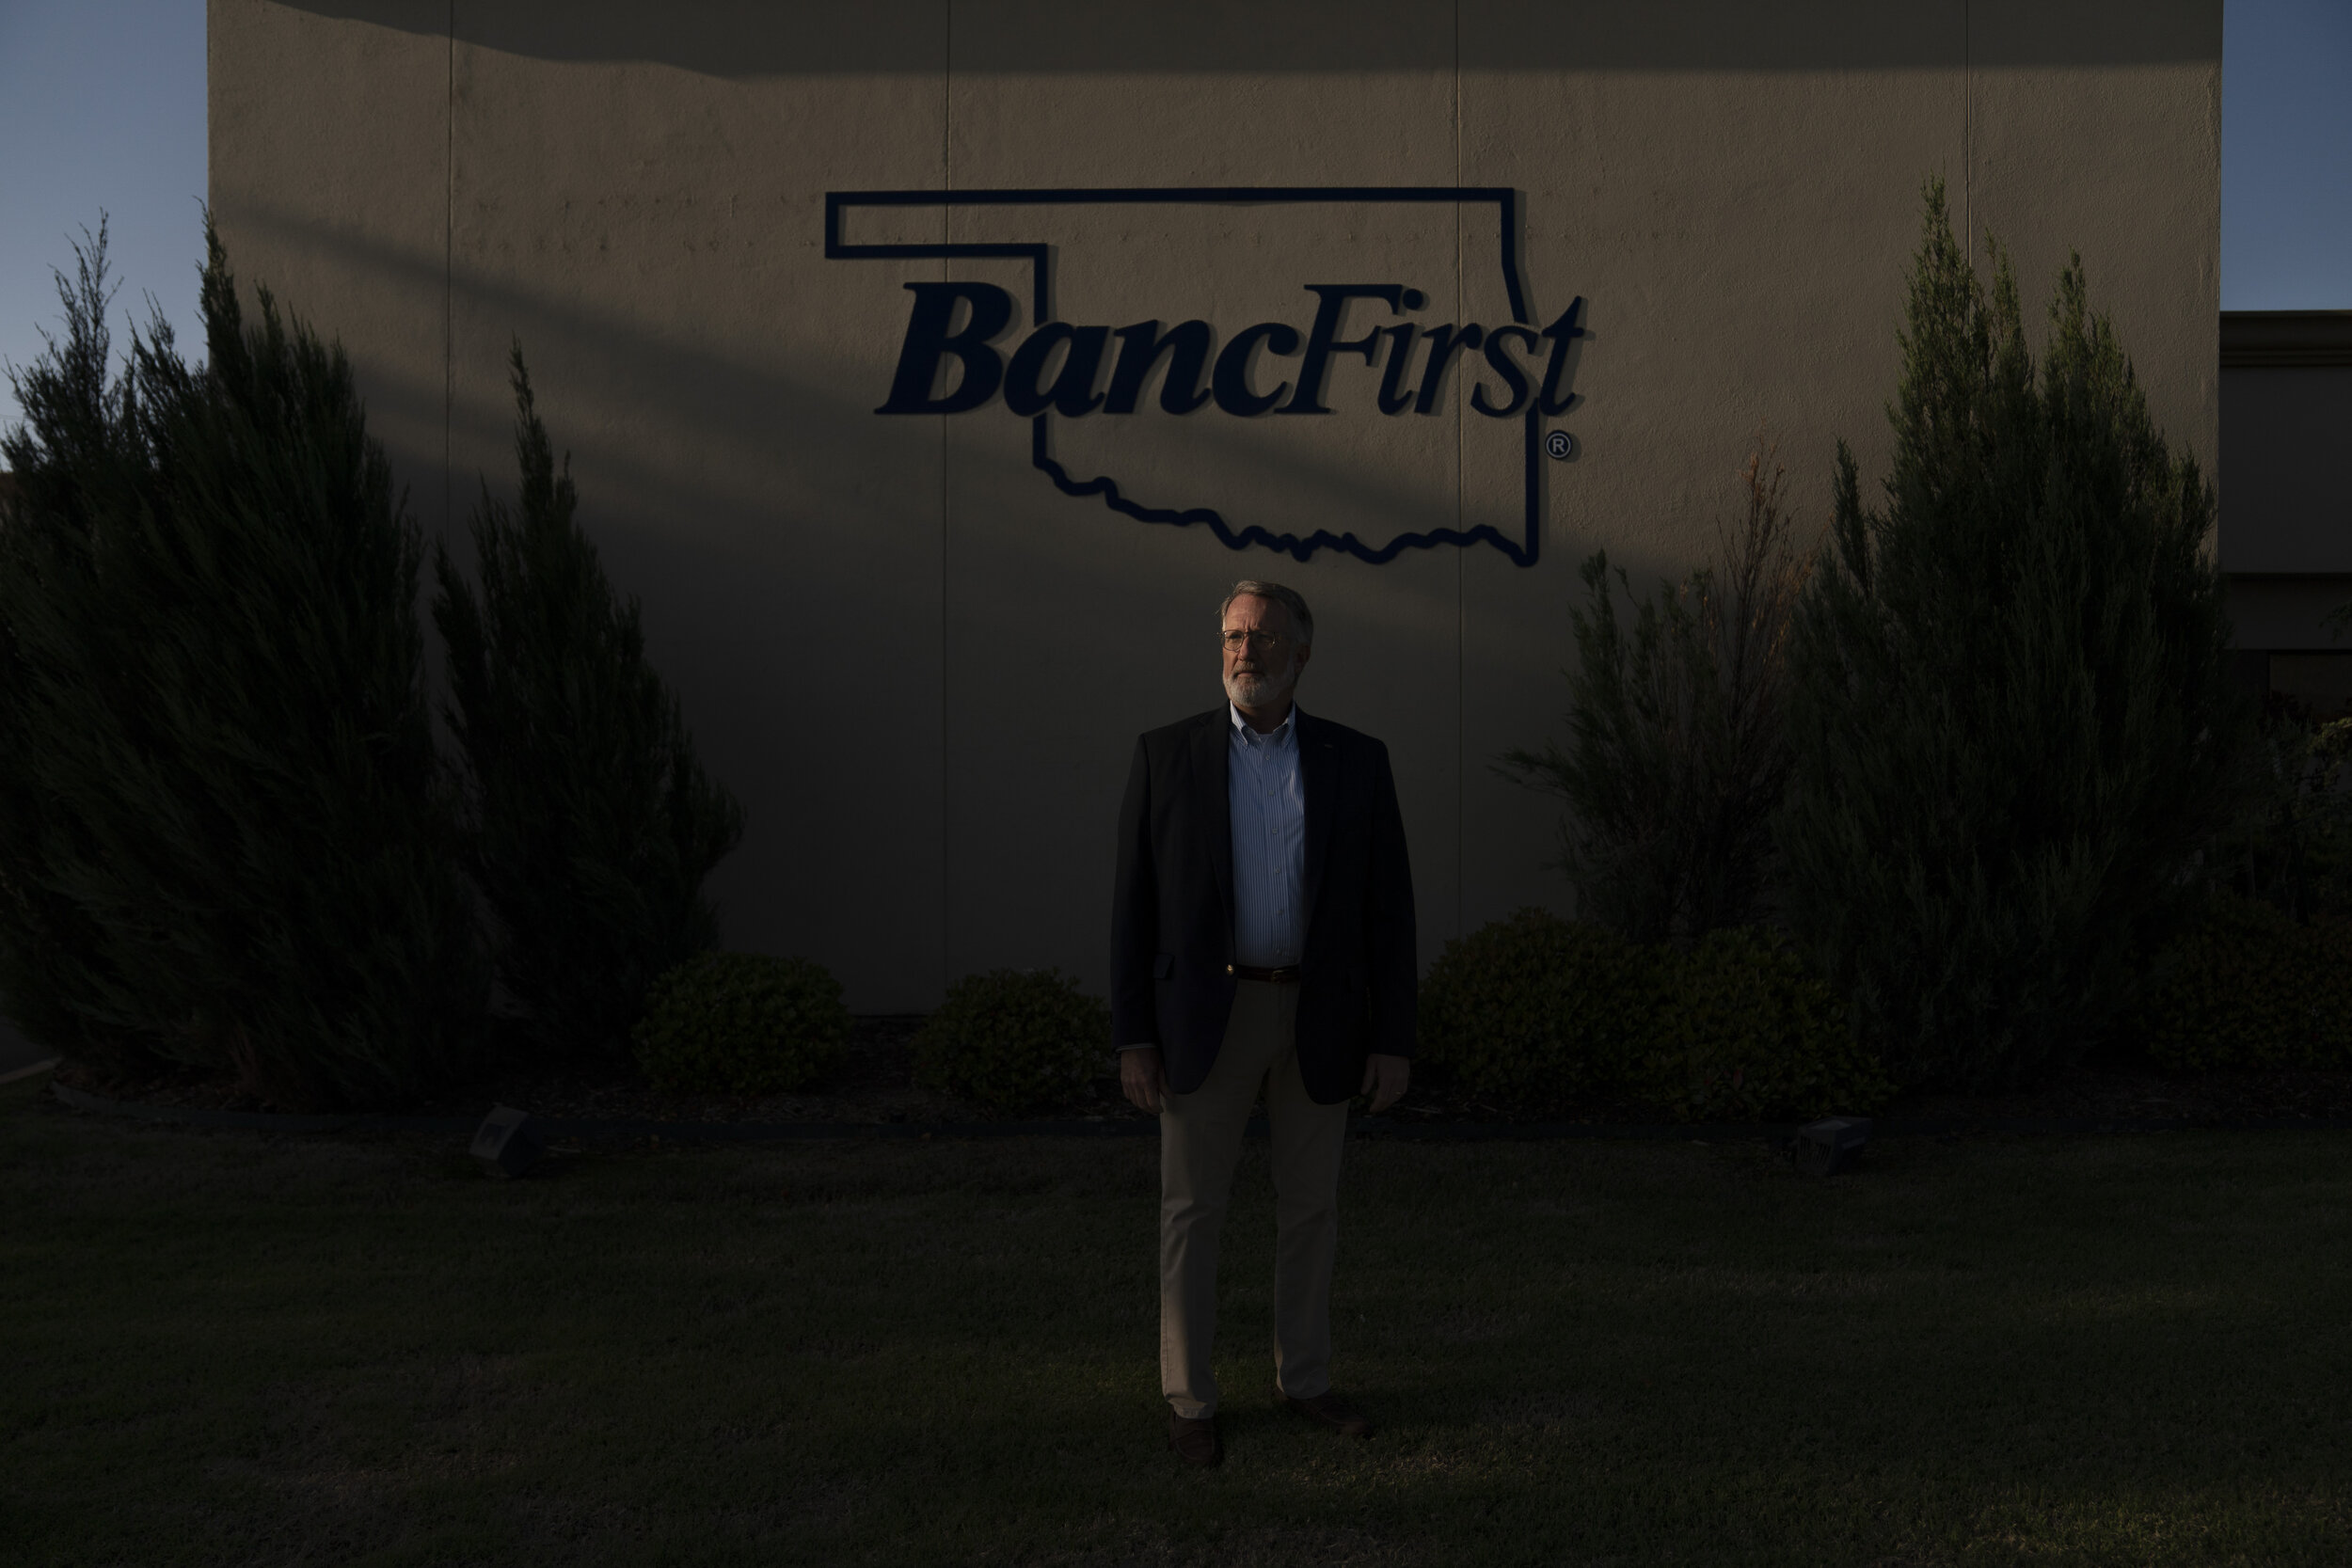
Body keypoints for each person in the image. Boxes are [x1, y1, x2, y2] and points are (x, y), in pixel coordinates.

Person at [1110, 578, 1416, 1469]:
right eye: (1234, 636)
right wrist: (1135, 1035)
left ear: (1303, 653)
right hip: (1208, 1016)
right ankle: (1190, 1398)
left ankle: (1306, 1379)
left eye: (1267, 639)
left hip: (1322, 1014)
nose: (1247, 652)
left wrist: (1392, 1036)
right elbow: (1132, 910)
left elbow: (1387, 911)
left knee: (1311, 1207)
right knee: (1191, 1210)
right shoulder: (1167, 756)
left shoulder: (1358, 761)